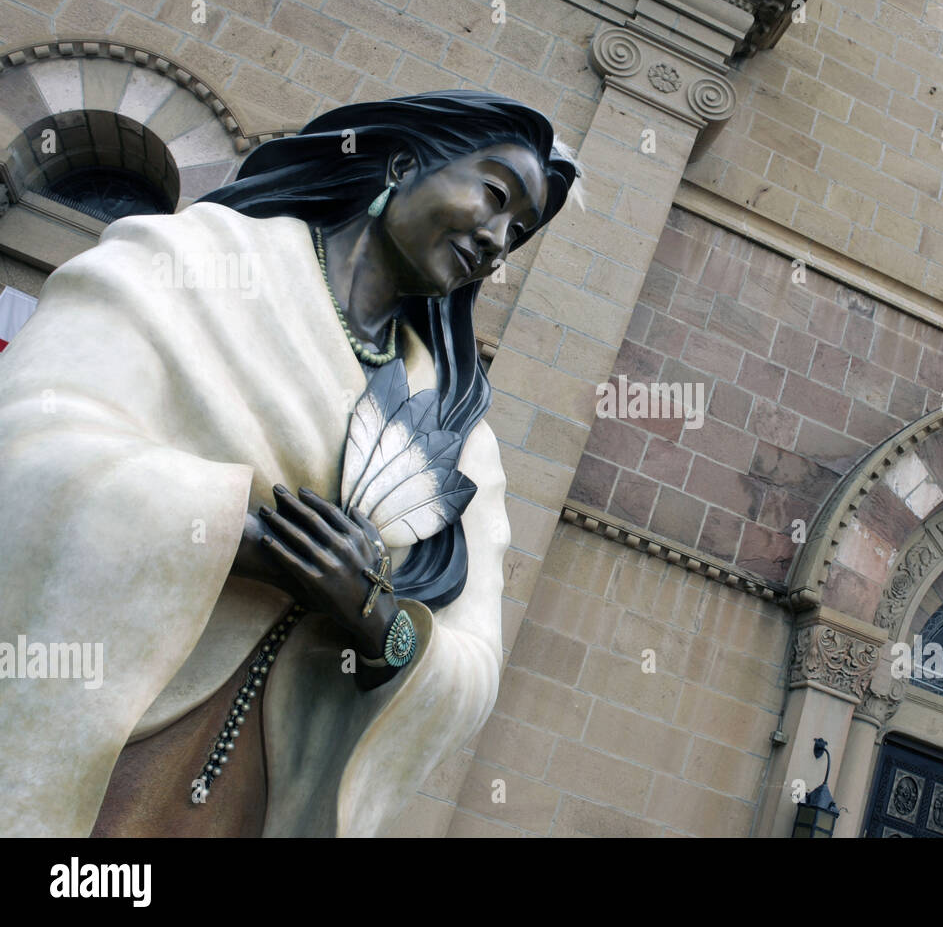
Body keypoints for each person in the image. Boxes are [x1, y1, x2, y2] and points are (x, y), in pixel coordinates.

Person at [0, 91, 580, 836]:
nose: (500, 240)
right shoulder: (195, 261)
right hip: (103, 738)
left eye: (520, 232)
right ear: (403, 164)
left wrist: (374, 619)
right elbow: (33, 443)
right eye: (496, 196)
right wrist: (250, 543)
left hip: (260, 787)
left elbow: (472, 666)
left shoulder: (461, 434)